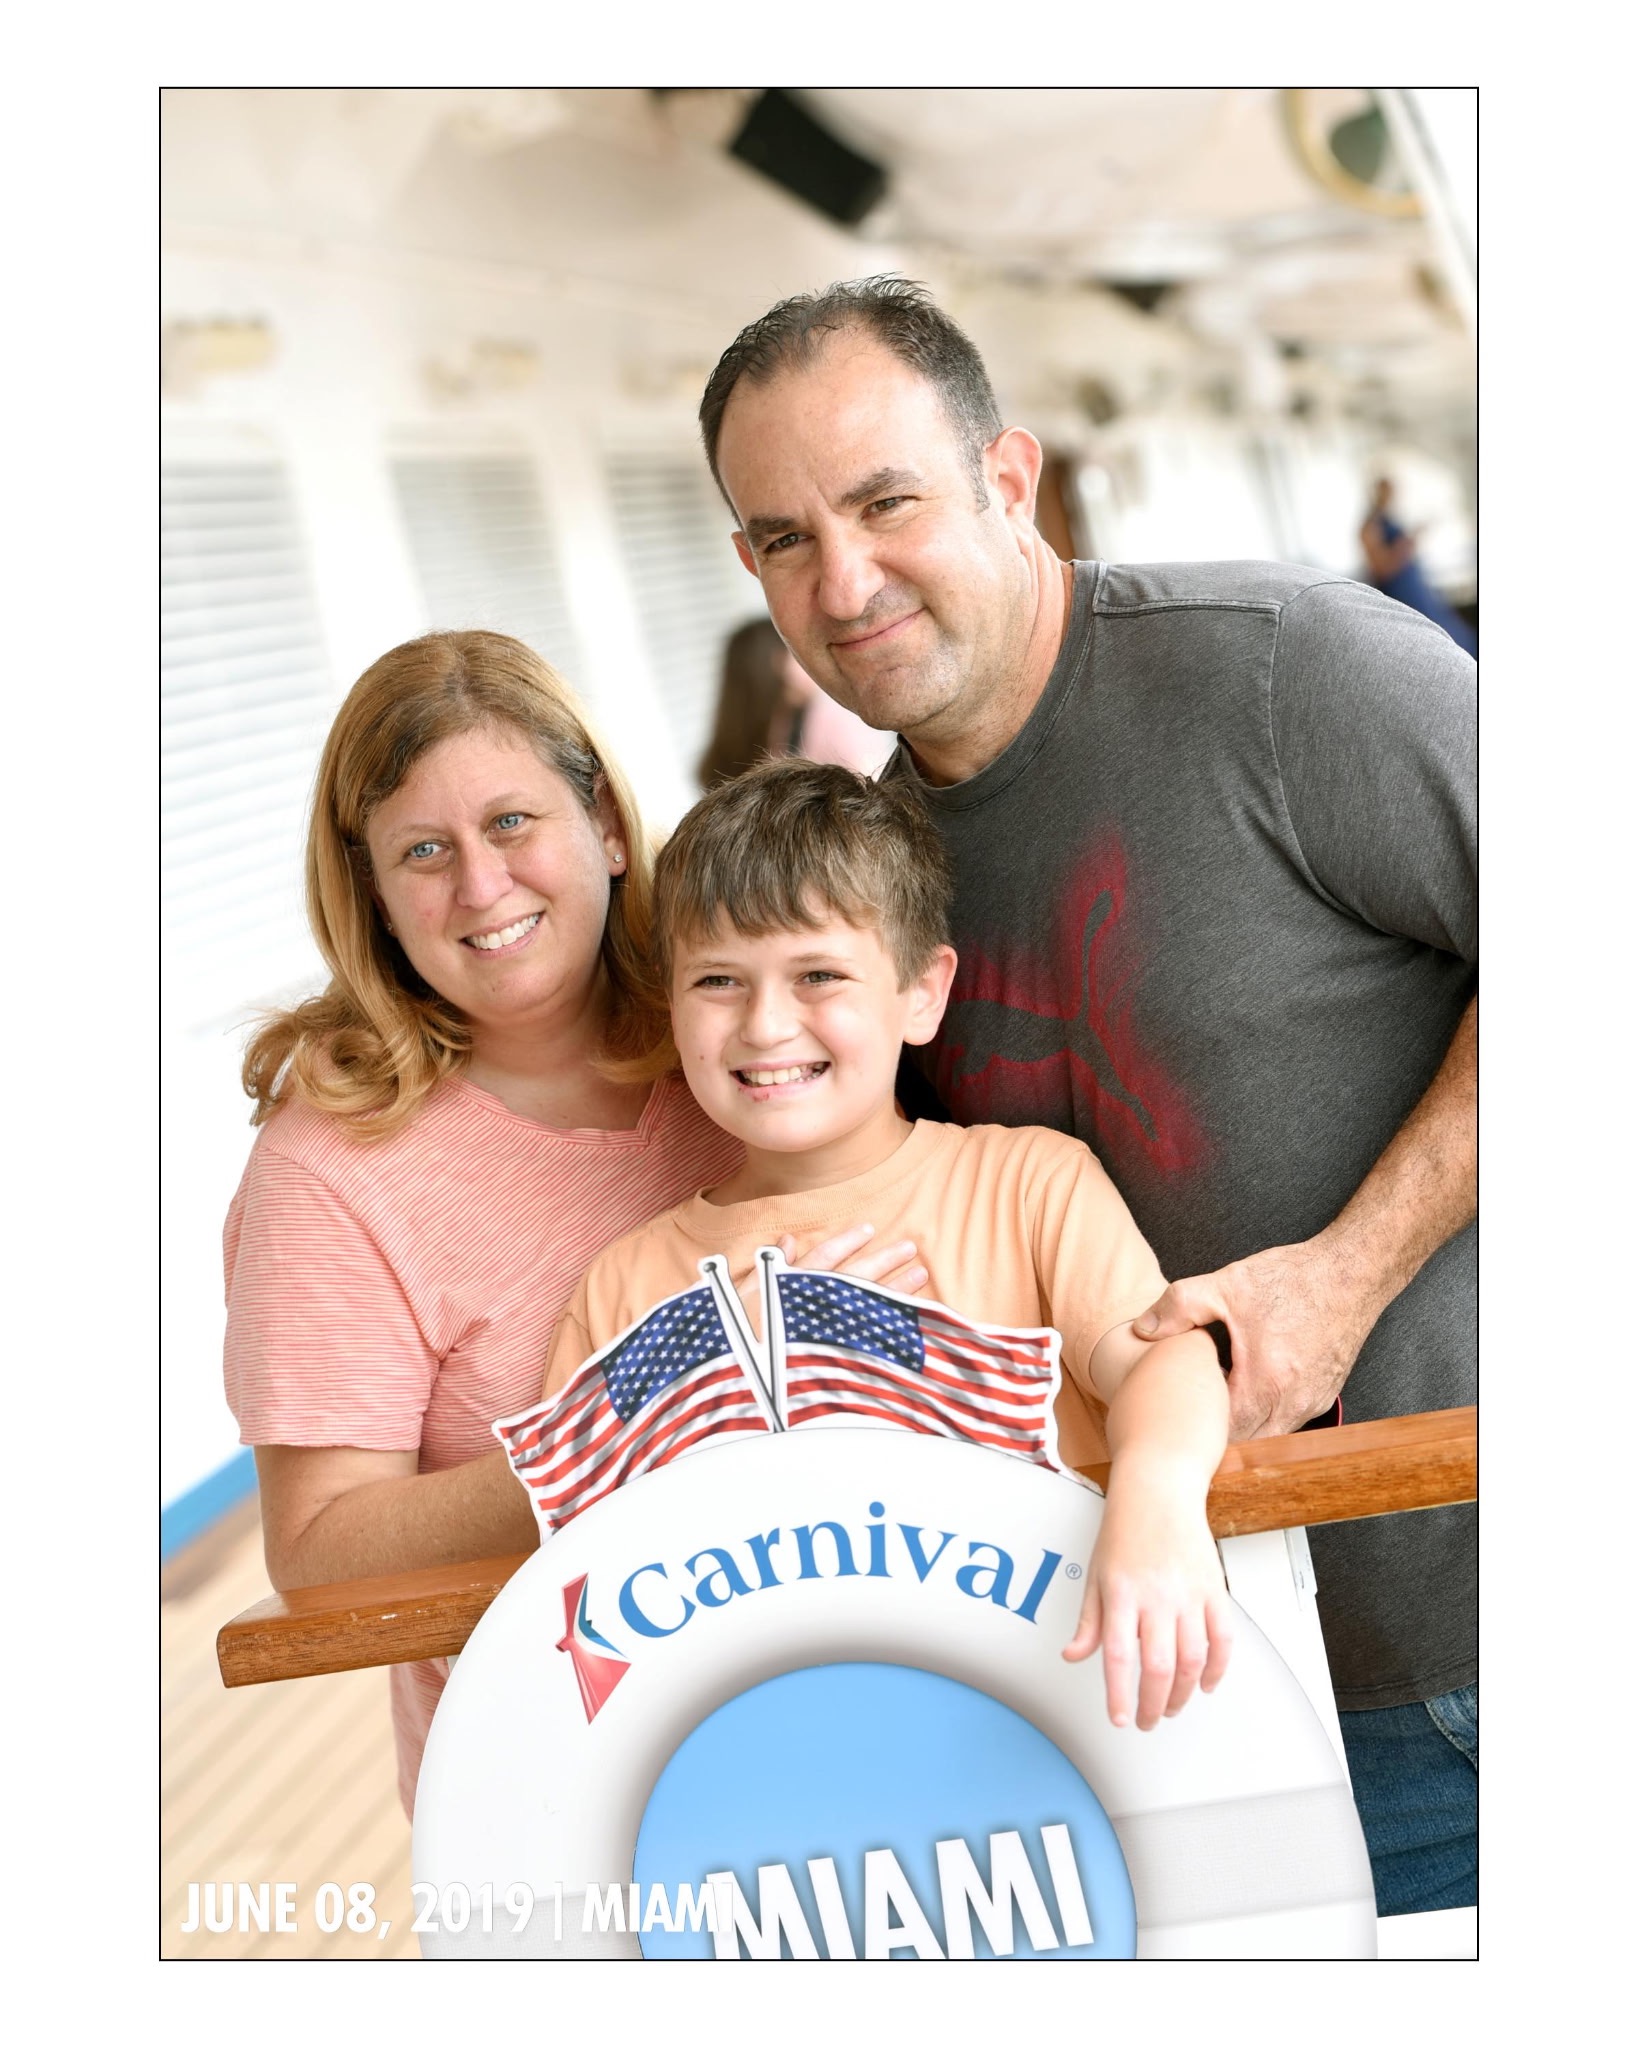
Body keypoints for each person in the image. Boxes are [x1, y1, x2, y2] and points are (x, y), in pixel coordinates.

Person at [695, 277, 1477, 1916]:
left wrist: (1344, 1275)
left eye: (885, 503)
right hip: (1170, 1694)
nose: (841, 581)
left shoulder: (1286, 672)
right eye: (781, 537)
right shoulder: (872, 870)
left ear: (1008, 477)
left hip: (1481, 1633)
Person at [222, 630, 923, 1815]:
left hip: (887, 1707)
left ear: (603, 822)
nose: (480, 886)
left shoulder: (746, 1030)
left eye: (511, 822)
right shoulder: (327, 1170)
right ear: (375, 894)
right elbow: (319, 1546)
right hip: (575, 1798)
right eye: (423, 850)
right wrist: (644, 1419)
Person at [531, 760, 1235, 1734]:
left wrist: (1158, 1496)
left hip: (1062, 1720)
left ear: (922, 993)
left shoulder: (1028, 1184)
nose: (765, 1024)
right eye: (717, 980)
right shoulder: (623, 1288)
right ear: (670, 1005)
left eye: (818, 975)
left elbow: (1166, 1356)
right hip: (782, 1747)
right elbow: (583, 1581)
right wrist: (725, 1384)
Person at [699, 615, 892, 789]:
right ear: (776, 663)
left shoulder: (731, 745)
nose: (809, 658)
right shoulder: (824, 718)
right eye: (793, 651)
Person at [1359, 476, 1478, 657]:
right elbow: (1382, 568)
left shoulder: (1390, 520)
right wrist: (1410, 540)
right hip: (1402, 593)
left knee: (1458, 633)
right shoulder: (1370, 526)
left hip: (1416, 588)